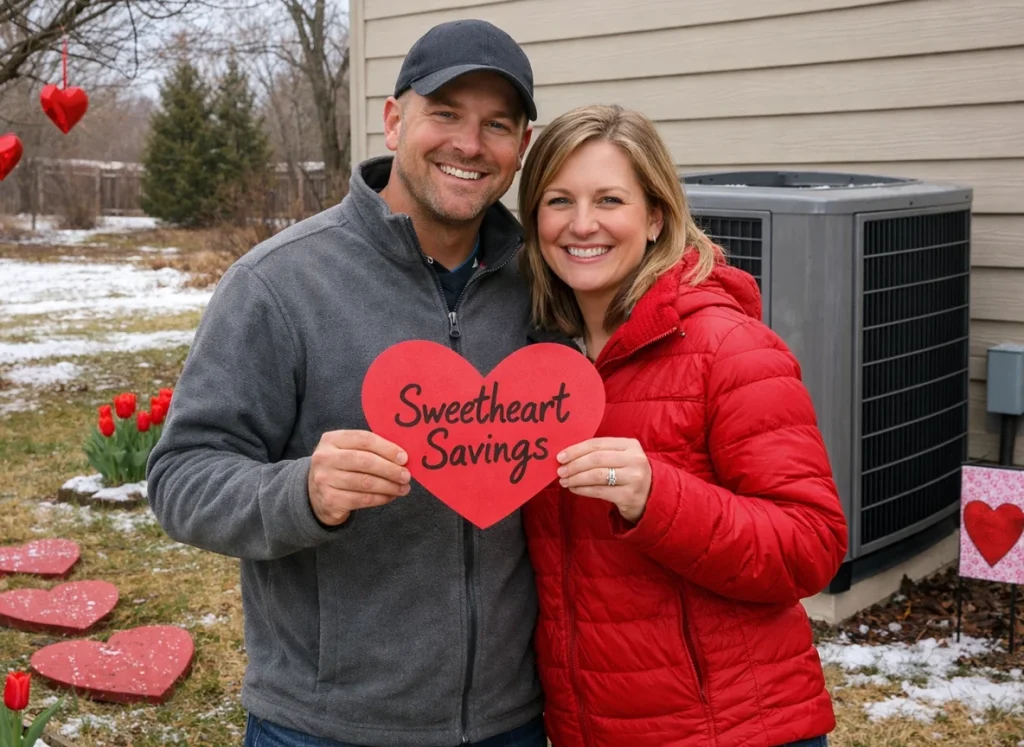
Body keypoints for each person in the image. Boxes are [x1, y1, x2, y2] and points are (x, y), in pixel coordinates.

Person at [147, 19, 547, 747]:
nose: (469, 143)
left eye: (497, 124)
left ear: (520, 146)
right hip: (325, 723)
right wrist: (302, 493)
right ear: (395, 121)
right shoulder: (278, 285)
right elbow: (180, 478)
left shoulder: (542, 289)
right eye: (446, 113)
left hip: (508, 719)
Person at [517, 104, 849, 747]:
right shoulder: (536, 366)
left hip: (731, 728)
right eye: (559, 200)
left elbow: (811, 545)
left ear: (656, 216)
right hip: (591, 728)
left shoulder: (729, 348)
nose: (581, 224)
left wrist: (655, 497)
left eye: (609, 199)